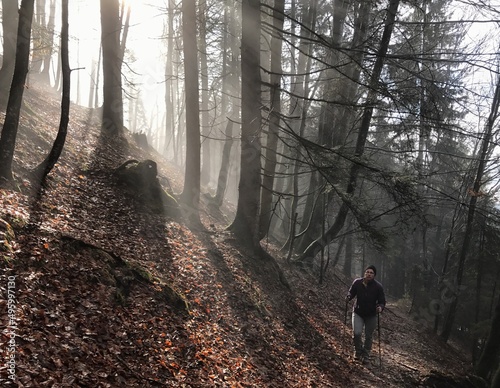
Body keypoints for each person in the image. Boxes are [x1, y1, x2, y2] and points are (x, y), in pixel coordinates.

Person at [346, 265, 386, 364]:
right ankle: (358, 351)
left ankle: (366, 354)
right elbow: (351, 292)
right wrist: (348, 297)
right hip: (358, 312)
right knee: (357, 333)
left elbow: (382, 301)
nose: (369, 274)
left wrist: (380, 307)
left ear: (374, 275)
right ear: (364, 273)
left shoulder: (378, 286)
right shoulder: (357, 283)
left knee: (369, 336)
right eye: (367, 272)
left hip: (371, 314)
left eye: (371, 273)